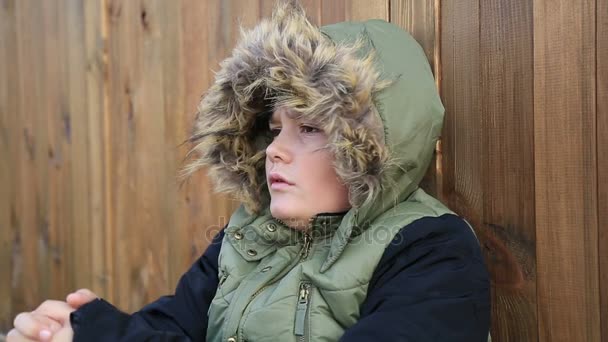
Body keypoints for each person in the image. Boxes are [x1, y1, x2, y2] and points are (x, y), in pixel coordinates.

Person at [8, 1, 491, 341]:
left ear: (371, 144)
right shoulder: (246, 237)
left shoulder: (432, 252)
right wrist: (69, 329)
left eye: (308, 130)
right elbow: (174, 325)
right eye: (275, 128)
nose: (273, 151)